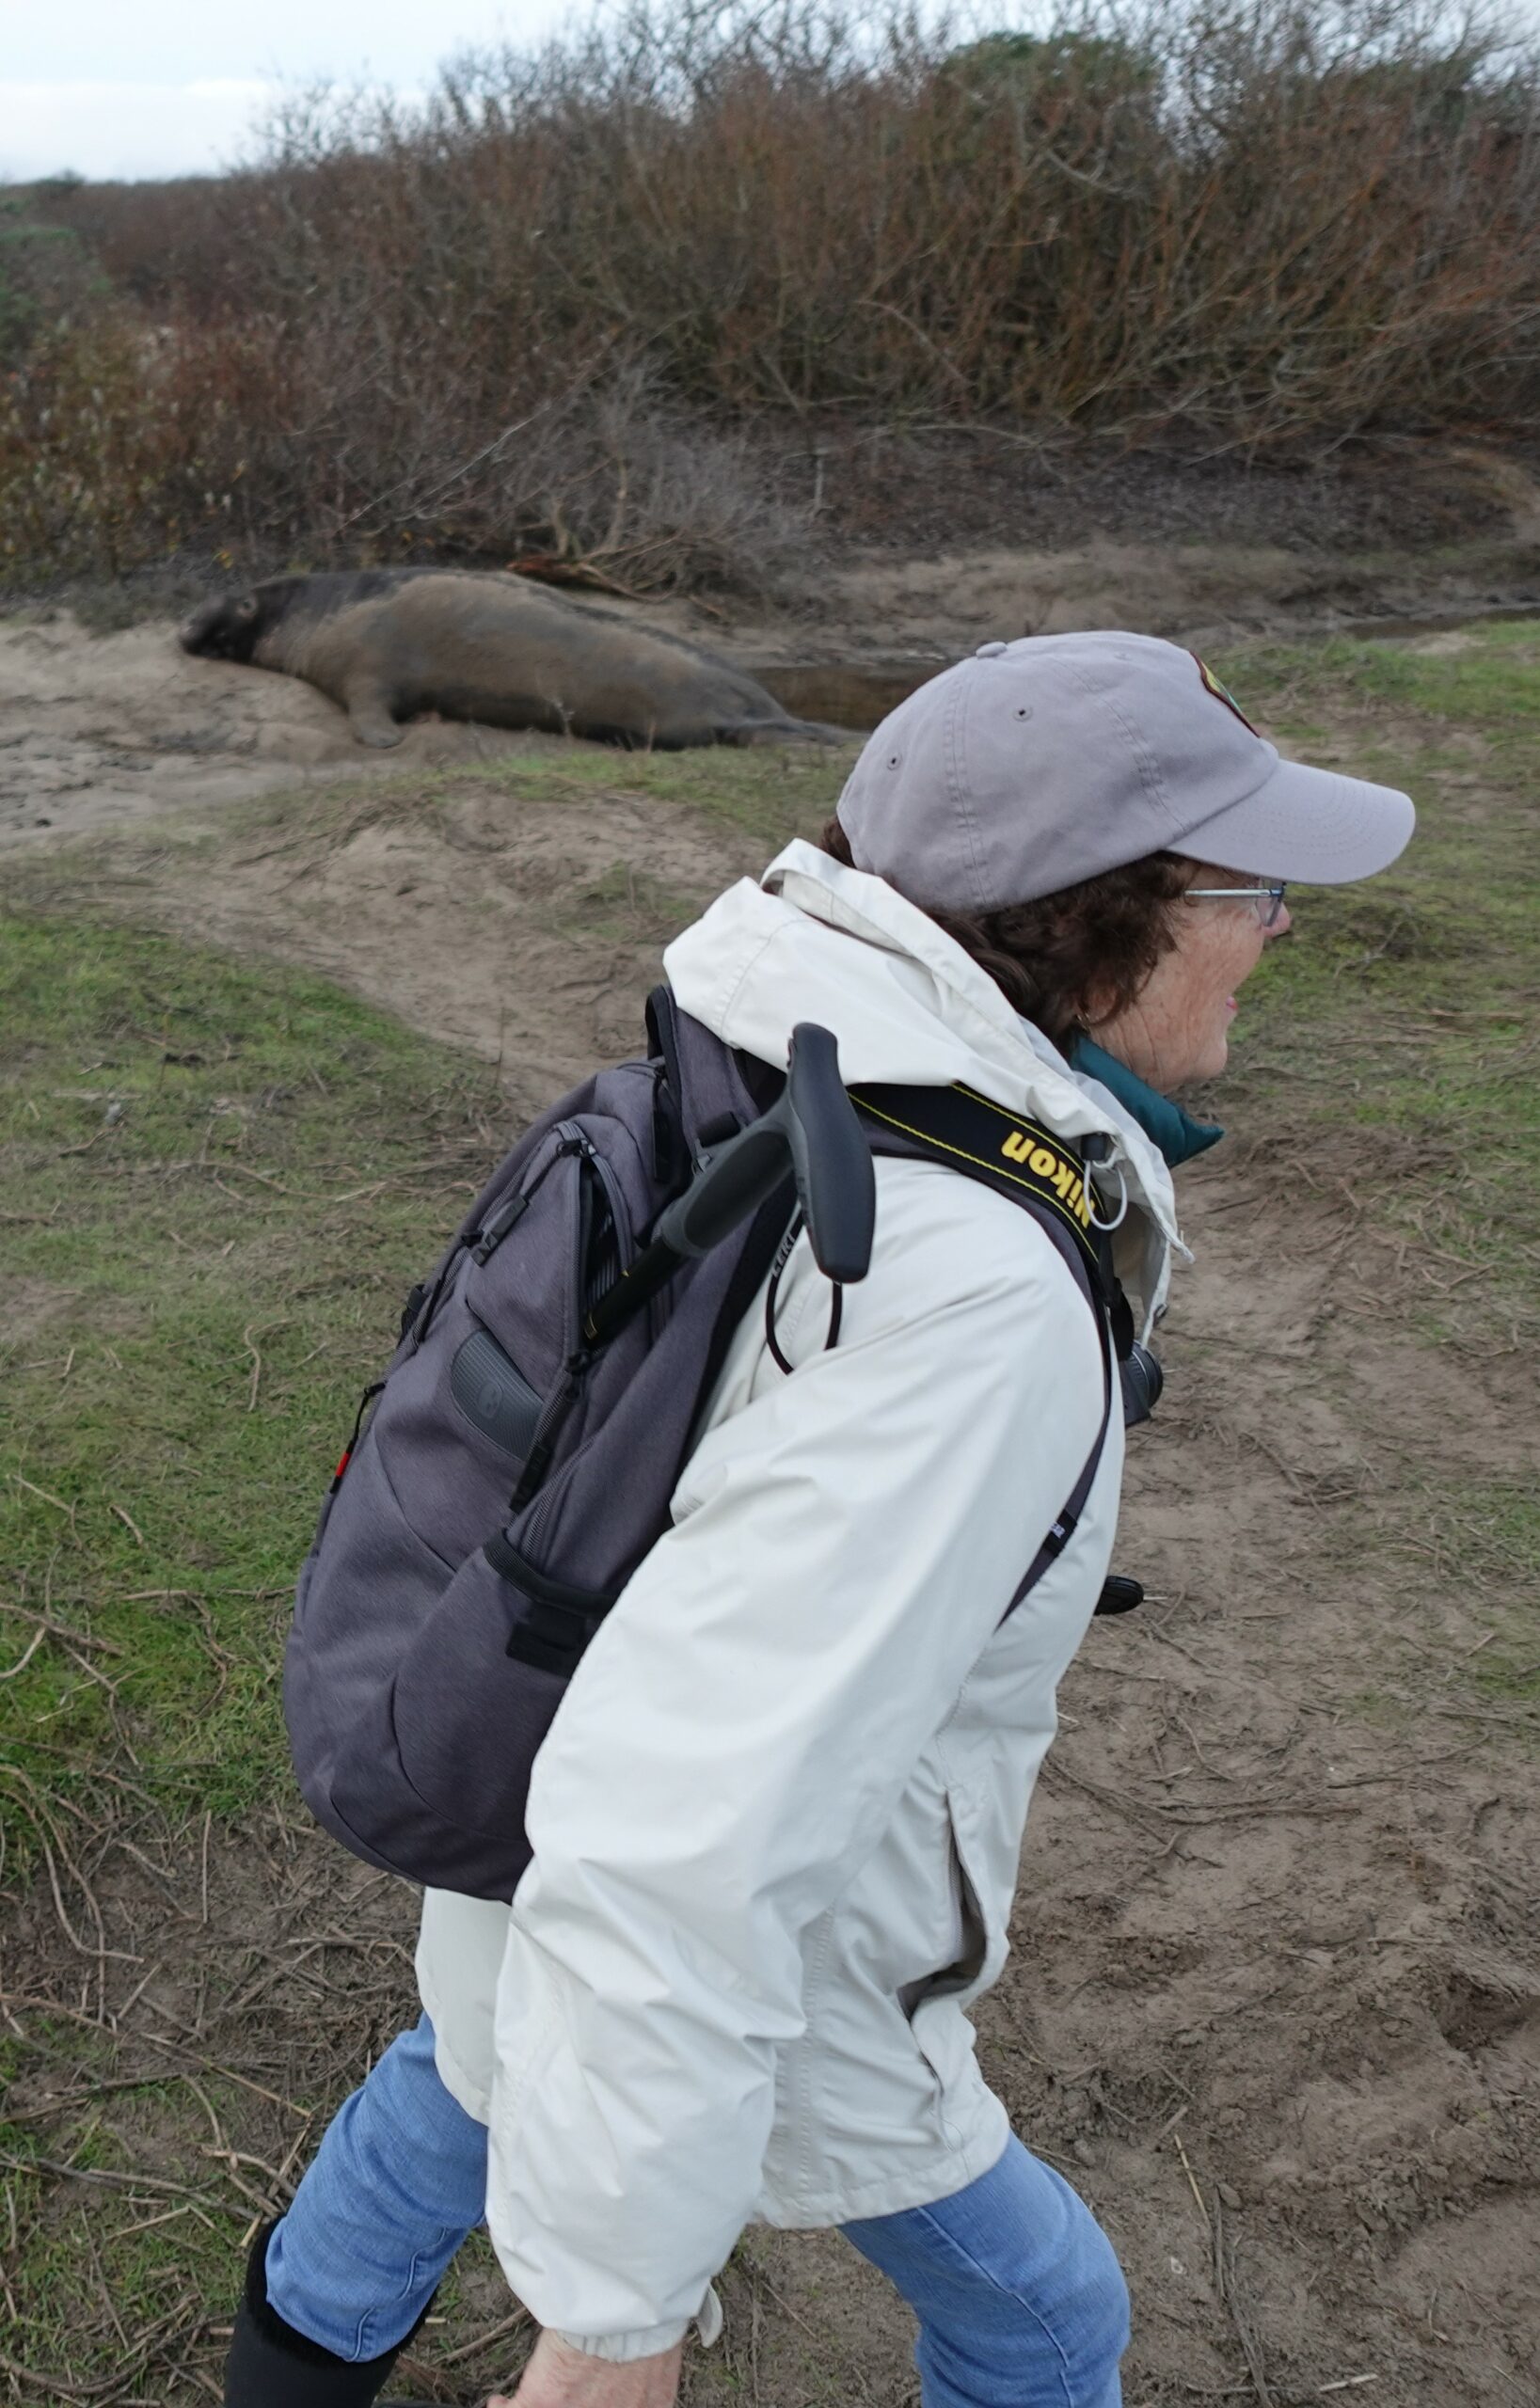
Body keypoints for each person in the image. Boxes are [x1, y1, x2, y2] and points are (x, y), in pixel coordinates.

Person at [223, 632, 1414, 2408]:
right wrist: (612, 2328)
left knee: (464, 2073)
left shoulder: (780, 1051)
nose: (1280, 928)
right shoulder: (973, 1296)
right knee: (1048, 2325)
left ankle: (285, 2370)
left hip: (514, 1804)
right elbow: (687, 1830)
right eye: (1247, 888)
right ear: (1100, 920)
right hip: (770, 1963)